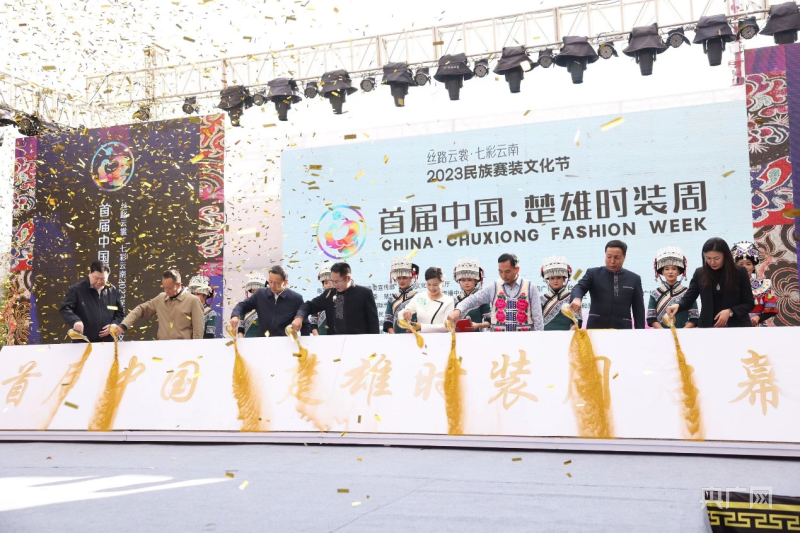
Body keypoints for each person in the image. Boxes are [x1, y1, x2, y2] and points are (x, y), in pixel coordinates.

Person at [666, 237, 755, 328]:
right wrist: (678, 306)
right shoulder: (700, 273)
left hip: (736, 326)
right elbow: (689, 298)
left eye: (716, 258)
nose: (712, 262)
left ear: (725, 256)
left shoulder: (739, 272)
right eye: (708, 258)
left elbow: (749, 303)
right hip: (708, 326)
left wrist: (730, 311)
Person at [447, 253, 544, 332]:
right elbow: (474, 299)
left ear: (517, 269)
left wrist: (538, 340)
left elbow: (538, 319)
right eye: (500, 271)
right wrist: (458, 310)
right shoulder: (493, 287)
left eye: (507, 271)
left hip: (524, 340)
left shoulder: (530, 287)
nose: (503, 275)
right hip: (498, 341)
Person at [569, 240, 646, 329]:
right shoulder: (593, 274)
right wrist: (577, 298)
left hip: (623, 329)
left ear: (624, 257)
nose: (612, 261)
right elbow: (579, 287)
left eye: (616, 257)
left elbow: (639, 309)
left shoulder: (634, 278)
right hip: (596, 328)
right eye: (609, 257)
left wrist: (640, 332)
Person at [112, 269, 204, 340]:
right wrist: (123, 325)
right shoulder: (161, 299)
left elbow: (198, 331)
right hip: (161, 348)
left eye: (169, 288)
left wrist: (194, 350)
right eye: (164, 287)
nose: (166, 291)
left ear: (178, 285)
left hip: (184, 349)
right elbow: (141, 309)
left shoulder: (193, 301)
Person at [292, 262, 379, 335]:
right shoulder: (330, 294)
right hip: (335, 343)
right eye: (332, 281)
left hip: (359, 342)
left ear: (348, 278)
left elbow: (373, 324)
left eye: (337, 282)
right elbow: (309, 305)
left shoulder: (364, 293)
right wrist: (299, 317)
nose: (334, 285)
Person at [229, 265, 309, 337]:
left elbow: (305, 325)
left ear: (285, 282)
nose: (272, 286)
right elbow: (242, 305)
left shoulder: (296, 299)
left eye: (277, 283)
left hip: (284, 343)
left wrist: (304, 343)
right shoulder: (260, 294)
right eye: (270, 282)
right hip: (262, 342)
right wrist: (235, 315)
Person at [59, 261, 125, 343]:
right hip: (83, 341)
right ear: (90, 273)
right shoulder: (77, 290)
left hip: (107, 342)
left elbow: (119, 313)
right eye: (96, 278)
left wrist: (114, 324)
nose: (99, 281)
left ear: (108, 276)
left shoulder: (112, 291)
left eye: (103, 279)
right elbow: (65, 308)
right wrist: (75, 320)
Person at [647, 247, 698, 329]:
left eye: (674, 269)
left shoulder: (688, 293)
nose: (670, 272)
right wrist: (663, 332)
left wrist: (682, 332)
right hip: (661, 334)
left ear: (679, 272)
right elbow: (651, 318)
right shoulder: (655, 293)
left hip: (684, 333)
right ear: (662, 272)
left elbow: (694, 318)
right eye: (667, 269)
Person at [731, 241, 778, 327]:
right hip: (734, 326)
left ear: (753, 266)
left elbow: (771, 310)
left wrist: (758, 317)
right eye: (741, 264)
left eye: (748, 264)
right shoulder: (729, 285)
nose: (745, 267)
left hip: (756, 327)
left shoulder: (764, 286)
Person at [401, 267, 455, 332]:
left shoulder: (448, 301)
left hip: (439, 337)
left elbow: (446, 326)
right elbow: (403, 313)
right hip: (420, 337)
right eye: (428, 284)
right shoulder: (419, 297)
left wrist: (421, 327)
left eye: (435, 285)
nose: (431, 288)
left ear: (442, 282)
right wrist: (407, 311)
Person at [540, 256, 581, 331]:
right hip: (546, 335)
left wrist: (569, 333)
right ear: (548, 280)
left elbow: (578, 321)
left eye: (558, 278)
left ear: (564, 279)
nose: (555, 281)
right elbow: (537, 321)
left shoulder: (572, 298)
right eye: (552, 278)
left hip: (568, 334)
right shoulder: (542, 299)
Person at [453, 258, 490, 331]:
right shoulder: (457, 300)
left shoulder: (482, 298)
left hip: (476, 335)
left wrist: (478, 325)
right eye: (463, 280)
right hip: (460, 335)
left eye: (469, 280)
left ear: (476, 281)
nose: (466, 283)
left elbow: (489, 321)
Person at [384, 257, 419, 334]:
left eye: (404, 278)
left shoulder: (418, 297)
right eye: (399, 278)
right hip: (396, 336)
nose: (401, 281)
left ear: (411, 278)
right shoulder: (392, 298)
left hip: (414, 335)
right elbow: (388, 321)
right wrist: (394, 337)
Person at [238, 272, 266, 338]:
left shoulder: (270, 308)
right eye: (253, 292)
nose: (255, 294)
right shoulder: (245, 309)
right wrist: (242, 342)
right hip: (247, 342)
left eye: (258, 292)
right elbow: (241, 330)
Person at [310, 262, 333, 336]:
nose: (329, 285)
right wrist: (318, 338)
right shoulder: (318, 302)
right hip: (321, 339)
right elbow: (313, 323)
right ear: (323, 285)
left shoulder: (341, 300)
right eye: (326, 283)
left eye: (331, 282)